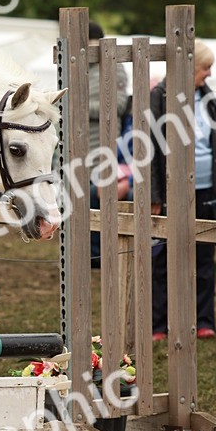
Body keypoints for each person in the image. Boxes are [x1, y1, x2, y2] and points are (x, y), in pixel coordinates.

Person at [150, 40, 216, 340]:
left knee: (204, 257)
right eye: (205, 68)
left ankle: (204, 320)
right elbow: (147, 151)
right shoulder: (158, 98)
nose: (209, 74)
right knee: (162, 258)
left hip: (206, 188)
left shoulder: (210, 99)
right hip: (171, 190)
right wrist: (155, 196)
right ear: (188, 69)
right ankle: (159, 324)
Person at [88, 19, 130, 268]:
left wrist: (77, 107)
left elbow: (117, 106)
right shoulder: (75, 66)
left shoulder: (115, 69)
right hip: (74, 151)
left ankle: (100, 256)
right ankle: (87, 253)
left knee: (99, 200)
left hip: (103, 149)